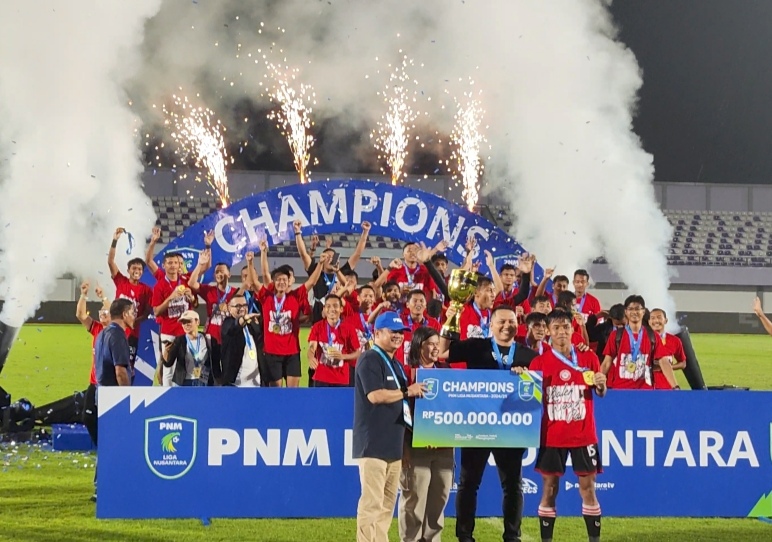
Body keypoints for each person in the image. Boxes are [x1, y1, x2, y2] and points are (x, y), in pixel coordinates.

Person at [438, 305, 538, 542]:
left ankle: (512, 536)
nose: (507, 326)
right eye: (501, 321)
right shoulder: (476, 346)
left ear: (518, 324)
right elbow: (442, 353)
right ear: (490, 325)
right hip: (477, 426)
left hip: (512, 428)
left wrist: (527, 375)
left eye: (512, 321)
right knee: (468, 483)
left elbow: (538, 387)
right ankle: (464, 536)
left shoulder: (528, 354)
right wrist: (450, 319)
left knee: (513, 486)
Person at [517, 310, 607, 542]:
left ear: (572, 329)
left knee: (588, 490)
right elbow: (529, 400)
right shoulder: (538, 362)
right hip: (552, 436)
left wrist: (601, 383)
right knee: (549, 489)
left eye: (565, 326)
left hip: (583, 436)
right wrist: (521, 378)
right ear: (548, 331)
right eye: (555, 327)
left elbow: (601, 392)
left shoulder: (589, 358)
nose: (561, 332)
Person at [354, 312, 426, 542]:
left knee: (386, 507)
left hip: (393, 446)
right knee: (371, 504)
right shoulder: (369, 359)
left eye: (401, 332)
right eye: (392, 331)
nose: (398, 336)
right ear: (377, 333)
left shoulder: (395, 363)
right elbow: (375, 396)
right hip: (373, 444)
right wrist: (407, 391)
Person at [398, 327, 453, 542]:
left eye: (437, 343)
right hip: (416, 447)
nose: (435, 347)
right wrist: (404, 449)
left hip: (444, 448)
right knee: (414, 501)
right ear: (418, 345)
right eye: (430, 343)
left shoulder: (447, 371)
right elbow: (400, 413)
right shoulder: (406, 373)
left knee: (439, 499)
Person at [250, 245, 327, 387]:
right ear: (274, 282)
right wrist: (252, 261)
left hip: (292, 352)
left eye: (284, 279)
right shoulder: (266, 297)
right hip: (272, 352)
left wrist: (321, 263)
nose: (281, 282)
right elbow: (257, 280)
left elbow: (312, 282)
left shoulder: (295, 296)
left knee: (293, 392)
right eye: (278, 279)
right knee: (276, 393)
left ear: (288, 282)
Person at [92, 298, 135, 502]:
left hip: (102, 393)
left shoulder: (102, 334)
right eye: (132, 312)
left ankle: (100, 487)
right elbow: (120, 371)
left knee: (108, 442)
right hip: (114, 397)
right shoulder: (117, 336)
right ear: (125, 314)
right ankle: (112, 487)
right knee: (117, 442)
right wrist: (126, 396)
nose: (134, 316)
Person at [294, 219, 371, 323]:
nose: (330, 259)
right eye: (327, 256)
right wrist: (298, 232)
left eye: (333, 257)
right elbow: (303, 254)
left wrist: (365, 232)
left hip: (338, 319)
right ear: (322, 258)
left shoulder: (341, 273)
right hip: (319, 319)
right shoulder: (316, 273)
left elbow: (357, 254)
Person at [600, 295, 677, 390]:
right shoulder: (616, 335)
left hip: (645, 392)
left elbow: (664, 362)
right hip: (621, 390)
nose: (634, 312)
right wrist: (599, 380)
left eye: (637, 309)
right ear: (626, 312)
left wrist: (675, 386)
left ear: (643, 311)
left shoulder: (652, 336)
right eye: (631, 309)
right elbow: (607, 362)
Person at [107, 227, 152, 377]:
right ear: (128, 270)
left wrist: (134, 322)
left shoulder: (146, 290)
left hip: (133, 332)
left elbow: (147, 312)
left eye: (140, 269)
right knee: (112, 362)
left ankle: (126, 391)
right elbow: (110, 261)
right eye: (134, 268)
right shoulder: (121, 282)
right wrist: (115, 240)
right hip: (115, 330)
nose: (137, 271)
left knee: (128, 364)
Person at [188, 250, 238, 383]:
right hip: (212, 338)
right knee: (213, 370)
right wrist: (200, 264)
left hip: (229, 337)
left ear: (229, 274)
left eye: (222, 271)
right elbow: (191, 283)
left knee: (229, 370)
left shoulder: (236, 293)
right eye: (216, 272)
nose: (219, 274)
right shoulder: (209, 290)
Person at [75, 281, 111, 446]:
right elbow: (80, 315)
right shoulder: (96, 328)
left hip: (110, 385)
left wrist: (104, 296)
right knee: (88, 416)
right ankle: (100, 445)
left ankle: (110, 446)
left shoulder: (117, 330)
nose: (103, 313)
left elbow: (114, 311)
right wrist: (83, 294)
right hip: (94, 382)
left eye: (106, 311)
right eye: (101, 311)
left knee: (109, 417)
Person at [151, 251, 196, 386]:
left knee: (190, 365)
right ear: (164, 265)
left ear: (179, 265)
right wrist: (170, 297)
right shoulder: (159, 286)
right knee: (168, 369)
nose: (173, 266)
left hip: (186, 332)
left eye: (175, 263)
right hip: (169, 333)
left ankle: (186, 397)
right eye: (169, 263)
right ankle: (167, 400)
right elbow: (156, 311)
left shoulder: (185, 282)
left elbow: (194, 304)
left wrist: (191, 298)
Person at [308, 295, 361, 387]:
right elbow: (312, 346)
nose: (332, 309)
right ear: (324, 309)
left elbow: (358, 353)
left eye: (335, 306)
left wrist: (343, 356)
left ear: (341, 309)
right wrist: (310, 356)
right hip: (322, 377)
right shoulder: (317, 327)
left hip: (341, 378)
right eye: (328, 306)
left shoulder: (349, 328)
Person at [220, 294, 264, 387]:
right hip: (236, 383)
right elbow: (233, 328)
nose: (242, 308)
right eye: (238, 306)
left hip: (255, 382)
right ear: (229, 308)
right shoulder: (227, 323)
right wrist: (244, 318)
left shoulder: (251, 325)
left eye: (244, 305)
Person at [161, 310, 214, 386]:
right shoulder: (179, 340)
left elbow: (215, 361)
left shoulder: (207, 339)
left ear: (197, 322)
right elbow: (168, 363)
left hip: (204, 381)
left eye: (188, 321)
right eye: (183, 323)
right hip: (185, 382)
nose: (186, 325)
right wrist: (166, 352)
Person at [396, 290, 441, 374]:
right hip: (402, 371)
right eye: (415, 301)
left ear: (425, 305)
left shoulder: (434, 324)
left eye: (421, 301)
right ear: (407, 304)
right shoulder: (399, 322)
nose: (418, 303)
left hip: (425, 371)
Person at [648, 308, 685, 390]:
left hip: (667, 387)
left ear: (666, 320)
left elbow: (683, 363)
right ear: (649, 322)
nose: (656, 321)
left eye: (659, 317)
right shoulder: (643, 340)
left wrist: (666, 367)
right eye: (653, 318)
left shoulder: (675, 341)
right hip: (646, 387)